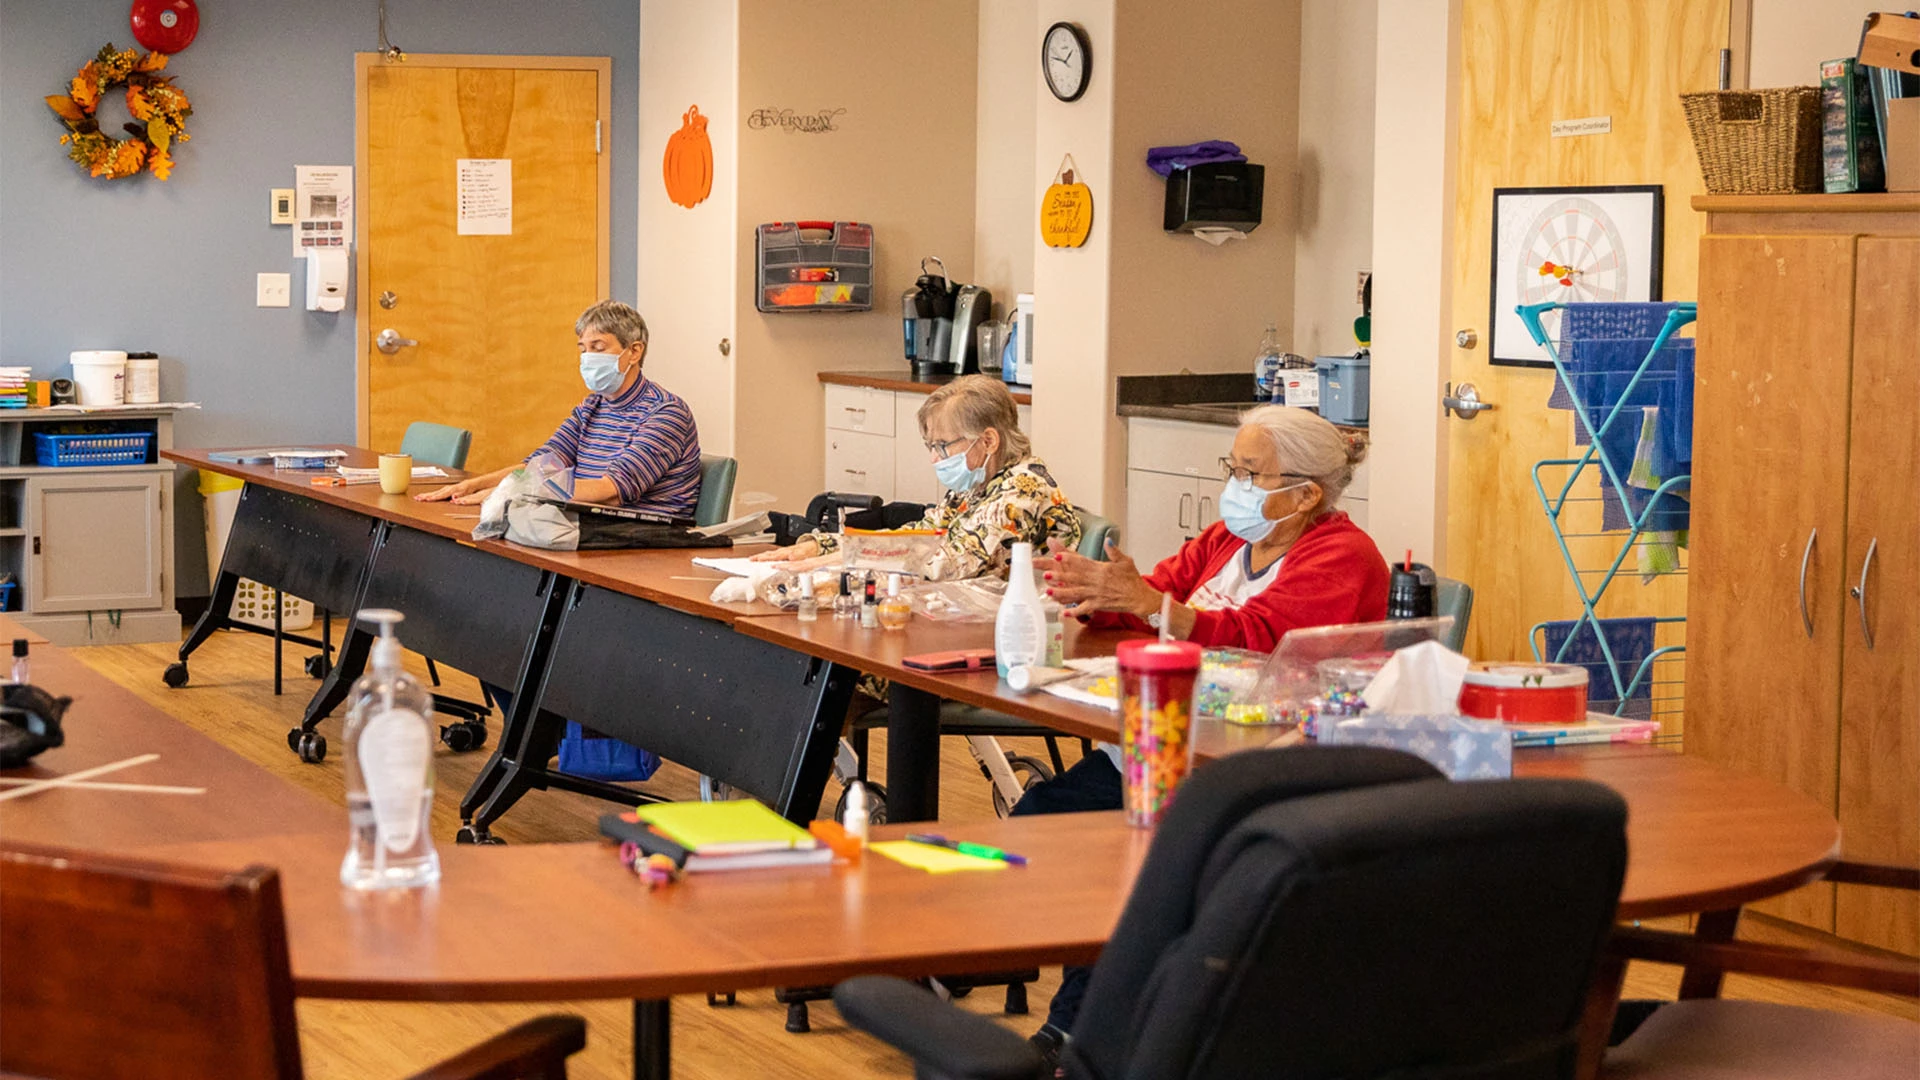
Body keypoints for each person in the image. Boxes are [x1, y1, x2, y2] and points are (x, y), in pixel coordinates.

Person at [1018, 403, 1389, 1064]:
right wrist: (1103, 594)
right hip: (1164, 743)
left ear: (1305, 494)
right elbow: (1157, 596)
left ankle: (1082, 1029)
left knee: (1117, 861)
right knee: (1040, 822)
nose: (1236, 485)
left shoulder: (1344, 555)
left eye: (1252, 473)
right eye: (1234, 468)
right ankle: (1088, 1017)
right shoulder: (1226, 539)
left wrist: (1150, 607)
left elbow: (1265, 643)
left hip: (1246, 767)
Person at [752, 374, 1080, 580]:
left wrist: (846, 559)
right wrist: (822, 546)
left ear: (988, 441)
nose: (934, 458)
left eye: (942, 445)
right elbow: (920, 535)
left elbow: (952, 563)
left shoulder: (1023, 491)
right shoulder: (979, 485)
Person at [417, 300, 702, 518]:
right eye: (583, 348)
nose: (588, 357)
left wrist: (515, 492)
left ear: (635, 351)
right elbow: (543, 464)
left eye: (598, 347)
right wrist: (473, 486)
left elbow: (610, 491)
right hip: (591, 524)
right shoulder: (593, 406)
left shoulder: (666, 413)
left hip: (647, 538)